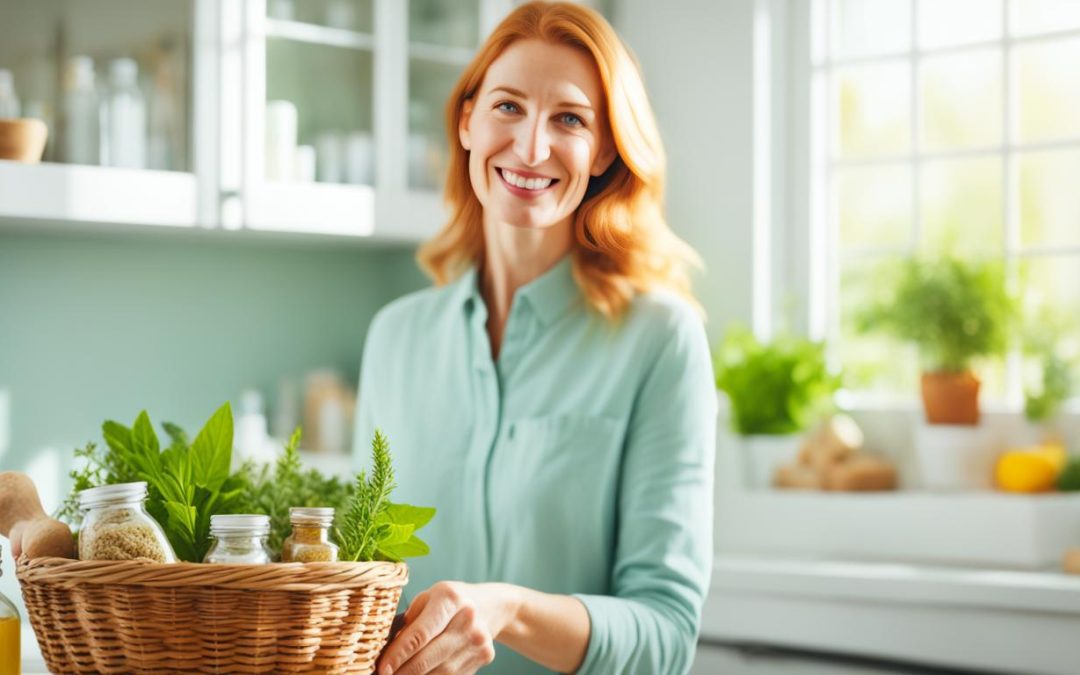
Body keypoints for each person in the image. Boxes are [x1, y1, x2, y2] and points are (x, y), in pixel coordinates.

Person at [354, 2, 716, 673]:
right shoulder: (394, 338)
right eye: (509, 107)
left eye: (570, 119)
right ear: (468, 120)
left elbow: (666, 634)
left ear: (605, 148)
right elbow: (357, 580)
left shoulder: (661, 340)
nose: (530, 147)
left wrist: (509, 610)